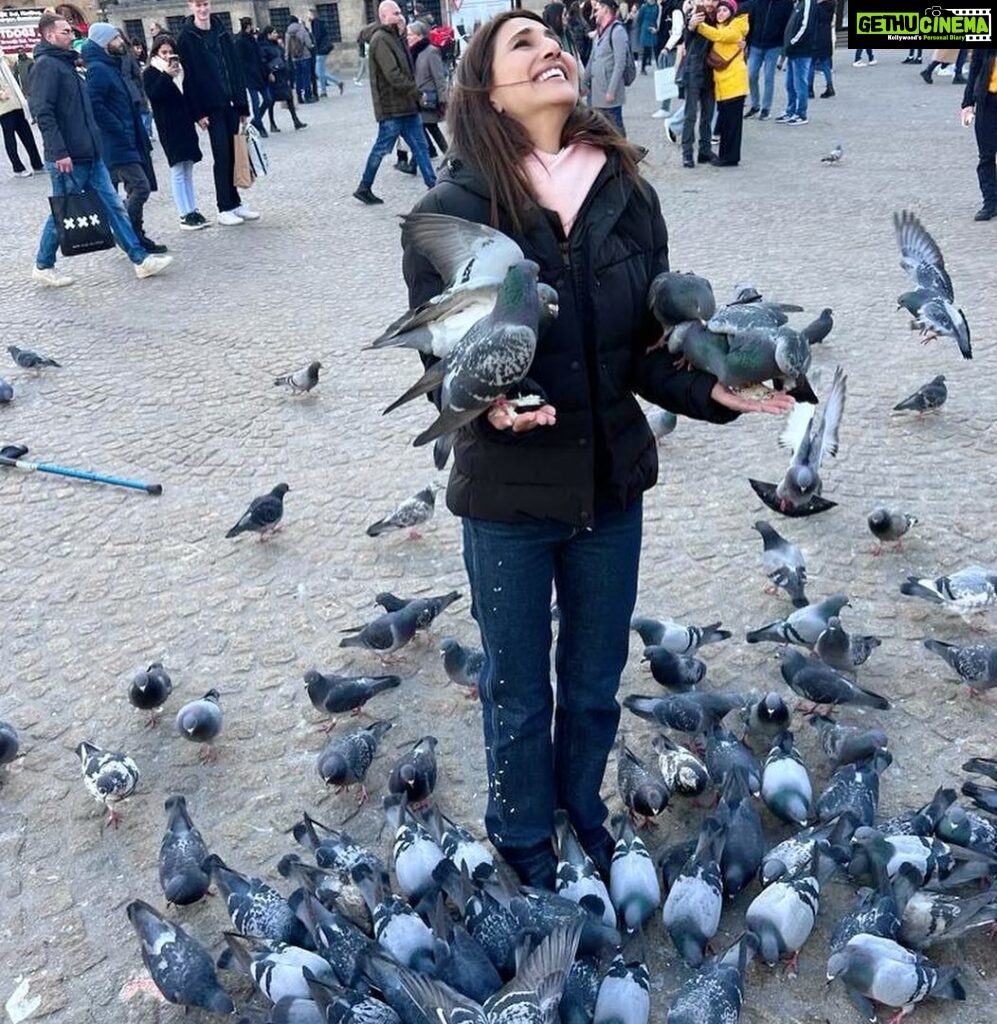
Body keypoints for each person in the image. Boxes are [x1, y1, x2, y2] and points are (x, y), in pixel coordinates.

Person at [401, 9, 791, 889]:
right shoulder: (450, 213)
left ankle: (584, 813)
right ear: (485, 87)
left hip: (611, 486)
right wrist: (488, 411)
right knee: (514, 686)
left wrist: (712, 389)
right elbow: (445, 359)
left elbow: (647, 349)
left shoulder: (627, 191)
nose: (550, 51)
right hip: (508, 498)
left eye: (553, 39)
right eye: (523, 44)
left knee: (590, 681)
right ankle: (523, 837)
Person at [30, 13, 172, 285]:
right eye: (66, 32)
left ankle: (140, 259)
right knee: (63, 211)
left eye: (72, 32)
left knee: (113, 205)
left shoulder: (68, 64)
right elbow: (43, 113)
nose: (73, 36)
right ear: (50, 36)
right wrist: (60, 152)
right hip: (69, 155)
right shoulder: (47, 66)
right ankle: (43, 264)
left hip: (91, 153)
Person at [82, 24, 165, 254]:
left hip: (128, 135)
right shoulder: (98, 69)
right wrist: (117, 127)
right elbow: (95, 104)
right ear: (104, 42)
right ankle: (127, 233)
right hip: (116, 140)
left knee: (136, 187)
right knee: (140, 187)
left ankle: (134, 235)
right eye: (116, 38)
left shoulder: (110, 64)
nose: (121, 42)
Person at [177, 0, 259, 226]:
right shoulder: (186, 37)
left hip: (231, 102)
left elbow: (235, 68)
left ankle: (236, 202)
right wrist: (198, 112)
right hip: (210, 107)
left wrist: (243, 105)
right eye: (198, 5)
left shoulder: (222, 31)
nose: (203, 9)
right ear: (191, 6)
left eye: (205, 4)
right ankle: (223, 206)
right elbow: (189, 79)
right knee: (221, 156)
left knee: (235, 153)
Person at [353, 0, 436, 206]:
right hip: (392, 107)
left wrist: (401, 35)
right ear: (383, 16)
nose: (400, 16)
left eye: (400, 12)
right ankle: (364, 187)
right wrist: (417, 94)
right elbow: (393, 74)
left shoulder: (394, 36)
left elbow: (405, 66)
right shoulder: (381, 39)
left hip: (406, 106)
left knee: (421, 146)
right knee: (381, 149)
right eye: (395, 13)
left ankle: (433, 186)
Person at [143, 33, 207, 230]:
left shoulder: (181, 71)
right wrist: (166, 76)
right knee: (178, 169)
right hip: (169, 125)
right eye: (164, 52)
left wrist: (199, 116)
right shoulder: (151, 72)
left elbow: (189, 95)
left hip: (185, 123)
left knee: (188, 167)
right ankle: (183, 213)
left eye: (171, 52)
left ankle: (192, 209)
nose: (168, 55)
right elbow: (155, 96)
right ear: (156, 52)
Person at [690, 0, 746, 165]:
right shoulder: (724, 27)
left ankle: (730, 158)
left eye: (725, 10)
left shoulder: (735, 28)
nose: (721, 13)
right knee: (727, 123)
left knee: (732, 124)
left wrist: (698, 25)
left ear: (732, 13)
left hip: (734, 83)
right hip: (724, 85)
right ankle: (726, 156)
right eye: (719, 10)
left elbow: (719, 36)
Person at [676, 0, 717, 165]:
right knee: (690, 115)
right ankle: (687, 153)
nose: (711, 3)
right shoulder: (695, 14)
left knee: (708, 115)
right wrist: (690, 26)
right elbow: (687, 36)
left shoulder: (720, 16)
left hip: (712, 72)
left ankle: (705, 151)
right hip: (694, 70)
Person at [582, 0, 629, 136]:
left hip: (608, 90)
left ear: (606, 10)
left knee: (616, 128)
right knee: (600, 128)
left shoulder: (617, 31)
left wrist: (612, 90)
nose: (595, 13)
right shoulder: (600, 31)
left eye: (598, 9)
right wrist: (585, 82)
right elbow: (592, 58)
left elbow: (620, 63)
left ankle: (623, 154)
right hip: (596, 90)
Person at [961, 48, 997, 222]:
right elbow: (975, 66)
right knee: (986, 156)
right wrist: (967, 102)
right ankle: (990, 203)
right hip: (987, 101)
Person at [407, 21, 448, 158]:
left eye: (410, 34)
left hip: (429, 98)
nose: (407, 37)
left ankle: (449, 156)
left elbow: (439, 77)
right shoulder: (412, 52)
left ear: (419, 36)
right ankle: (432, 152)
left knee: (431, 128)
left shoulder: (431, 51)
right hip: (417, 98)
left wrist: (443, 100)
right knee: (423, 127)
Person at [744, 0, 790, 119]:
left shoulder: (786, 3)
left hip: (774, 45)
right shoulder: (756, 2)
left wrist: (783, 47)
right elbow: (750, 21)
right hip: (755, 43)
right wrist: (747, 42)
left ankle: (766, 108)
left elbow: (787, 25)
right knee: (751, 75)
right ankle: (755, 105)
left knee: (769, 77)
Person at [1, 53, 43, 176]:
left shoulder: (3, 61)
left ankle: (37, 164)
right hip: (4, 108)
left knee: (27, 135)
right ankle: (18, 168)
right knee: (10, 138)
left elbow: (12, 60)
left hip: (17, 103)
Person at [259, 25, 308, 131]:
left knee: (289, 97)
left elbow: (283, 57)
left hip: (282, 76)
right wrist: (269, 72)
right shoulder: (263, 47)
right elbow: (263, 62)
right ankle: (272, 124)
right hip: (273, 77)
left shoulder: (277, 45)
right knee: (271, 101)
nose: (276, 35)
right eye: (274, 33)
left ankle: (296, 120)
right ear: (268, 35)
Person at [778, 0, 818, 124]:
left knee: (800, 83)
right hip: (793, 50)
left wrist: (792, 42)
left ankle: (801, 113)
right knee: (790, 83)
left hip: (801, 50)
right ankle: (791, 110)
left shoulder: (807, 3)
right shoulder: (798, 4)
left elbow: (805, 26)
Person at [235, 18, 270, 136]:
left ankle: (256, 121)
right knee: (255, 101)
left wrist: (266, 71)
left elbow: (260, 57)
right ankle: (260, 126)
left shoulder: (252, 39)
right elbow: (240, 61)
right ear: (248, 26)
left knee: (268, 99)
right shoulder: (240, 41)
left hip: (260, 74)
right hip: (250, 77)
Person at [310, 8, 344, 97]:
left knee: (318, 72)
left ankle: (326, 90)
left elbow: (317, 37)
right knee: (322, 70)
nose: (307, 16)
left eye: (309, 14)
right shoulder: (319, 22)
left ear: (312, 15)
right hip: (323, 49)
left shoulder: (316, 23)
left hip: (321, 50)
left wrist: (313, 46)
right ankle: (327, 89)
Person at [126, 38, 154, 138]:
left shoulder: (140, 59)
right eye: (137, 48)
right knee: (145, 112)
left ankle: (147, 132)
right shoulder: (129, 59)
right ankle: (145, 133)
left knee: (147, 111)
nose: (139, 50)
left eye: (140, 48)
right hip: (137, 89)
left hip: (142, 89)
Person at [285, 15, 315, 104]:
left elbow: (287, 47)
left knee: (298, 78)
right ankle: (308, 96)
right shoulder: (302, 30)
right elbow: (309, 44)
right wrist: (311, 46)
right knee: (306, 77)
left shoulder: (287, 32)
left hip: (295, 58)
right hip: (305, 56)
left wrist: (286, 58)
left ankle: (299, 97)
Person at [808, 0, 834, 98]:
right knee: (825, 64)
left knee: (811, 63)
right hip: (826, 37)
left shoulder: (816, 7)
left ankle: (809, 89)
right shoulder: (831, 6)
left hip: (816, 37)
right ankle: (830, 86)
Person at [635, 0, 659, 73]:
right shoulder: (644, 7)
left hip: (654, 28)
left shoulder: (656, 7)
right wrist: (643, 27)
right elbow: (639, 18)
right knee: (645, 49)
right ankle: (643, 68)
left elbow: (658, 17)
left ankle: (659, 67)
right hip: (645, 29)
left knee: (656, 48)